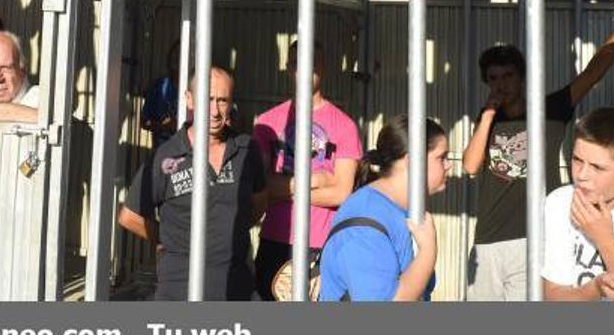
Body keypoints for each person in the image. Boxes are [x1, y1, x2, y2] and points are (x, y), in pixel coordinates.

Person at [462, 16, 614, 300]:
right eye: (493, 78)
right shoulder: (488, 119)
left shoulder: (551, 108)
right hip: (487, 238)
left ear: (520, 77)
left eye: (507, 76)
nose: (501, 85)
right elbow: (470, 165)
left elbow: (594, 71)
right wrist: (488, 114)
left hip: (532, 236)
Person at [119, 65, 267, 300]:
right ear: (189, 100)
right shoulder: (166, 155)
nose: (215, 111)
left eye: (222, 100)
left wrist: (230, 231)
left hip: (237, 287)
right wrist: (168, 237)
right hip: (179, 290)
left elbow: (259, 204)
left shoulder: (247, 149)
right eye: (208, 99)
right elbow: (130, 216)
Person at [252, 41, 361, 301]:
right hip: (275, 240)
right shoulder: (266, 123)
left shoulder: (345, 126)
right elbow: (261, 186)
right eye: (295, 63)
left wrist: (284, 190)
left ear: (322, 67)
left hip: (323, 243)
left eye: (310, 63)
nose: (302, 69)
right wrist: (316, 180)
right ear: (289, 68)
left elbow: (342, 194)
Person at [318, 115, 449, 301]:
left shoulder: (400, 209)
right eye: (441, 157)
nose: (449, 165)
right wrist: (428, 251)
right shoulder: (365, 222)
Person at [542, 106, 614, 300]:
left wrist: (604, 239)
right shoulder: (559, 202)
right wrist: (596, 288)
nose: (581, 175)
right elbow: (554, 296)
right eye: (577, 160)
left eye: (597, 167)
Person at [140, 44, 180, 148]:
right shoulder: (158, 86)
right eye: (174, 58)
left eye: (180, 57)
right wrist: (164, 126)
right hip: (162, 153)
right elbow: (144, 122)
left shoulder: (197, 89)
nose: (177, 61)